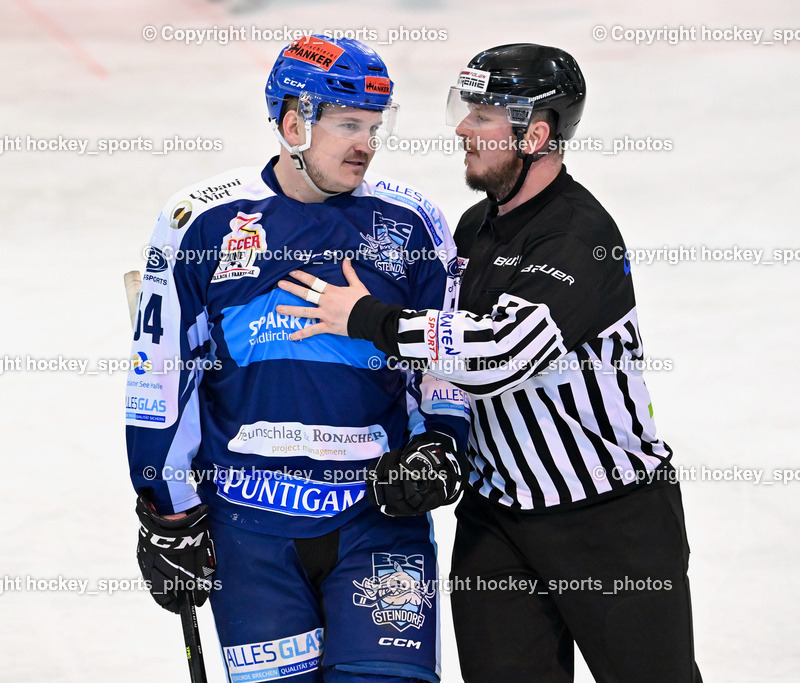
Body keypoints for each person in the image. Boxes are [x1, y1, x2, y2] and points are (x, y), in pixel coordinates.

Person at [277, 44, 702, 683]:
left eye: (482, 117)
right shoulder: (475, 228)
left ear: (535, 134)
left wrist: (367, 318)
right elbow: (437, 357)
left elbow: (499, 353)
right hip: (495, 522)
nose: (462, 130)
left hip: (609, 523)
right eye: (464, 110)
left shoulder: (579, 237)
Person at [125, 35, 469, 683]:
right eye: (347, 125)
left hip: (379, 520)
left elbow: (441, 355)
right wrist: (166, 508)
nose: (365, 143)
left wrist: (442, 443)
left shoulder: (411, 220)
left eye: (373, 125)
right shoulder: (201, 220)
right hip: (248, 531)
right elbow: (163, 374)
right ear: (292, 124)